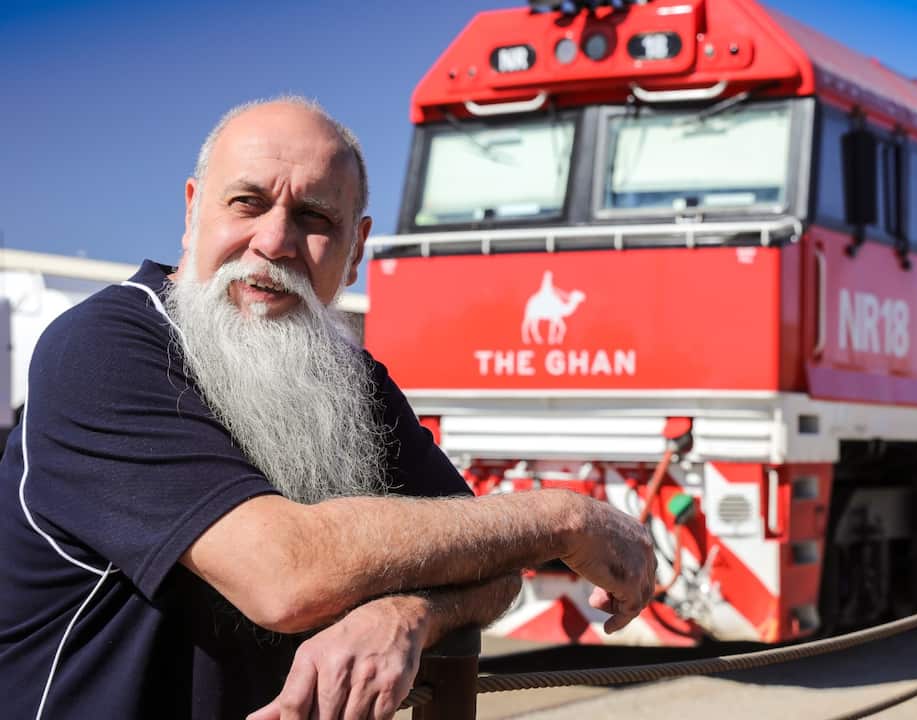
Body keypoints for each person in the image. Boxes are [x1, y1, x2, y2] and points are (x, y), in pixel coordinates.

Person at [0, 96, 656, 720]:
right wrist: (563, 518)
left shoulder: (351, 382)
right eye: (246, 202)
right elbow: (285, 576)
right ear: (194, 208)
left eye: (315, 218)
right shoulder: (103, 349)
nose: (275, 241)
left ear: (357, 249)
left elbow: (495, 567)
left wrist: (409, 611)